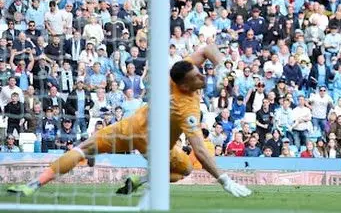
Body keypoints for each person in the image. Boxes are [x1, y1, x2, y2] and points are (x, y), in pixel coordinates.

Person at [7, 44, 252, 198]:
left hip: (130, 127)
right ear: (186, 86)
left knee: (83, 148)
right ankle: (142, 179)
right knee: (185, 169)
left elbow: (207, 50)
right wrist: (224, 180)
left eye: (199, 72)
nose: (202, 76)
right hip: (155, 147)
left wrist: (222, 66)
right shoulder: (186, 108)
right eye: (197, 76)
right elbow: (200, 150)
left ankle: (33, 185)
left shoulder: (177, 75)